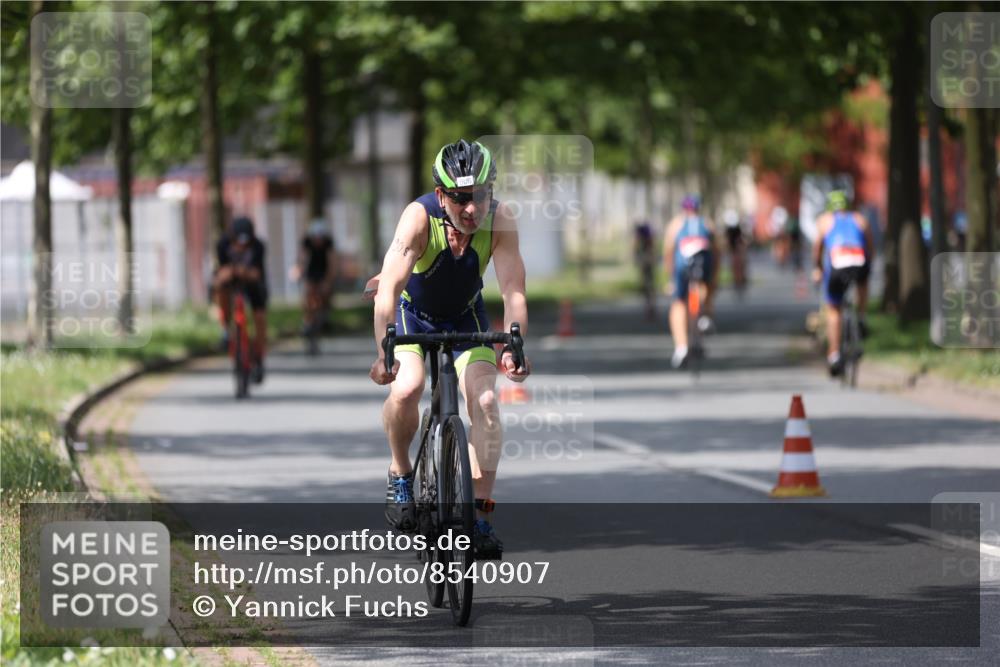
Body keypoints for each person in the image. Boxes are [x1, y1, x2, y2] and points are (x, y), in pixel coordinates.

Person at [369, 139, 530, 559]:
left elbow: (513, 291)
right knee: (406, 388)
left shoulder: (501, 220)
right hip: (414, 315)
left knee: (488, 401)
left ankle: (479, 516)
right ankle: (400, 471)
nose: (471, 208)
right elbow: (388, 288)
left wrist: (514, 345)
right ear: (441, 195)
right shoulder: (418, 217)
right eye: (460, 199)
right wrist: (382, 350)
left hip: (464, 317)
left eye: (479, 195)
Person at [812, 190, 874, 377]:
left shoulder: (825, 220)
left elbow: (817, 249)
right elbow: (870, 247)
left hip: (837, 265)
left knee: (834, 309)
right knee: (863, 282)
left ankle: (834, 354)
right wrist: (868, 264)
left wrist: (818, 268)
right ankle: (862, 316)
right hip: (859, 261)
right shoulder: (860, 219)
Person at [663, 195, 720, 368]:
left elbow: (668, 252)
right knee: (707, 285)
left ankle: (681, 347)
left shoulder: (675, 224)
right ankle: (705, 315)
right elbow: (717, 251)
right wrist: (714, 278)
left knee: (678, 303)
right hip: (704, 265)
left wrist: (670, 278)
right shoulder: (708, 223)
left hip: (681, 267)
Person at [214, 216, 269, 383]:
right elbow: (221, 272)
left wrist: (239, 271)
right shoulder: (222, 244)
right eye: (239, 242)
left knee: (259, 318)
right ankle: (225, 328)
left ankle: (258, 356)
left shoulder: (258, 246)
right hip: (231, 282)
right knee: (220, 287)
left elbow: (256, 274)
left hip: (253, 284)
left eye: (246, 242)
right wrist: (232, 272)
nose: (242, 245)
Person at [292, 220, 337, 337]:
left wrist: (328, 281)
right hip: (311, 271)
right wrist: (298, 270)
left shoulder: (328, 243)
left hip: (323, 271)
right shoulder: (306, 242)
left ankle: (324, 315)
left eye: (320, 238)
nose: (318, 241)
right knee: (308, 293)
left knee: (325, 292)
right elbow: (302, 259)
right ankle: (307, 320)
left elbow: (332, 263)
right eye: (315, 238)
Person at [634, 220, 656, 320]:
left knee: (648, 286)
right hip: (646, 262)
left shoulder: (644, 237)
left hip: (646, 262)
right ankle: (649, 307)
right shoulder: (646, 236)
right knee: (648, 286)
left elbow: (635, 246)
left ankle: (650, 307)